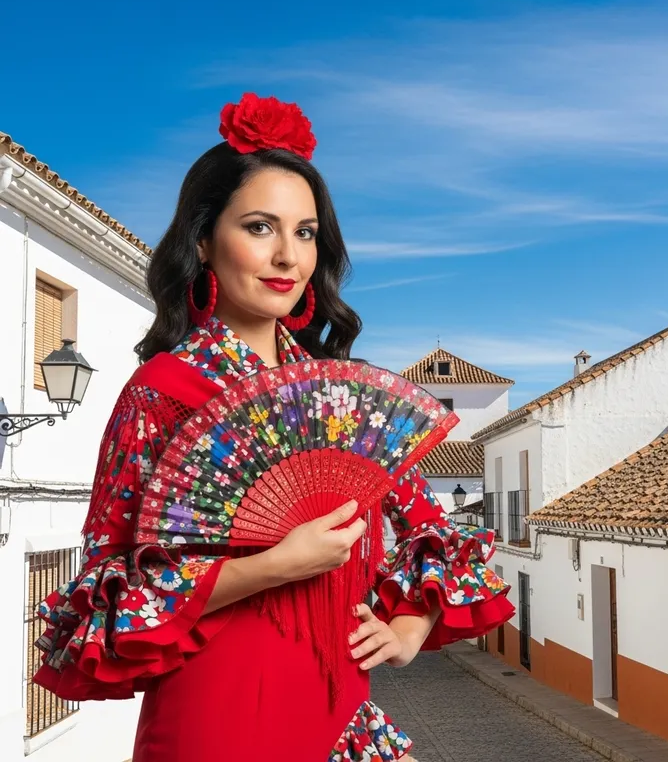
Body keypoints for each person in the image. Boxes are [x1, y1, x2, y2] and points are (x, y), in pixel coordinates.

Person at [33, 93, 514, 761]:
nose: (288, 255)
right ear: (204, 241)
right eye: (260, 227)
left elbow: (433, 529)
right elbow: (111, 592)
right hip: (214, 717)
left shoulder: (342, 402)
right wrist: (272, 568)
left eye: (306, 232)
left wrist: (410, 623)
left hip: (338, 707)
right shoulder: (162, 393)